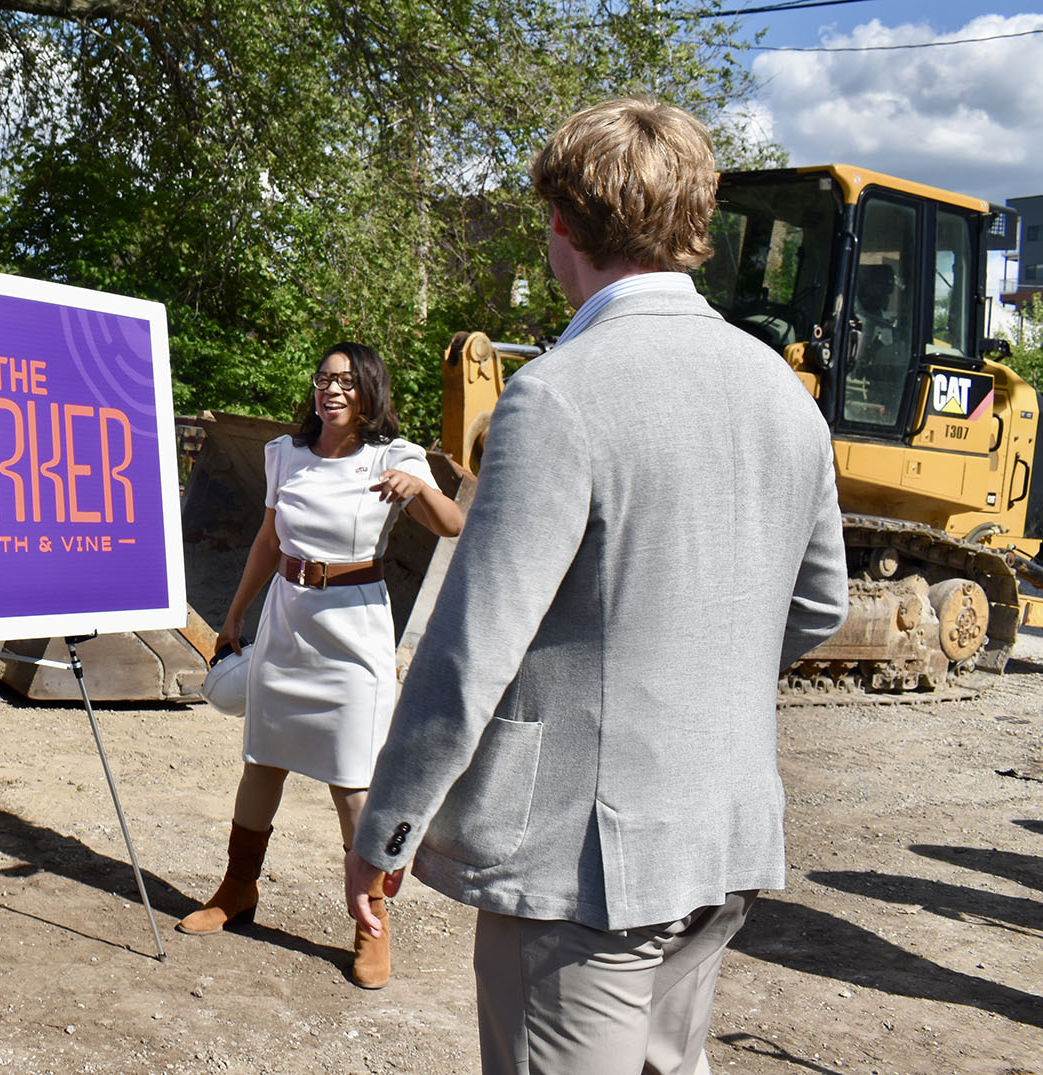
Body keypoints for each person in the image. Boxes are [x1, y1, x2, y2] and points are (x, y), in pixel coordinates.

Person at [345, 97, 850, 1074]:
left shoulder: (558, 392)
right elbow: (818, 604)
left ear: (563, 223)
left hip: (587, 863)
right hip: (724, 834)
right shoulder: (782, 397)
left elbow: (468, 652)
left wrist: (388, 827)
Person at [179, 341, 463, 990]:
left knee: (354, 783)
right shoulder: (286, 455)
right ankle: (236, 888)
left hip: (355, 627)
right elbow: (267, 540)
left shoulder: (394, 457)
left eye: (345, 380)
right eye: (324, 379)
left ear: (369, 390)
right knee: (262, 761)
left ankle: (372, 924)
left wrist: (418, 486)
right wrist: (232, 614)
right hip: (286, 618)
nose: (330, 389)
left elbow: (450, 523)